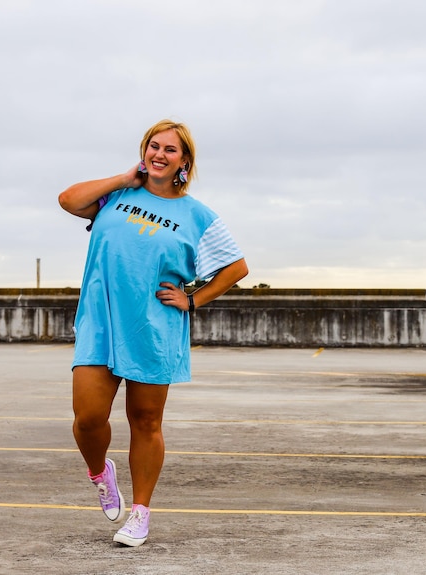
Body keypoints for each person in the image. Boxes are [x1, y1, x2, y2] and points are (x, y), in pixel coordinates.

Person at [58, 119, 248, 547]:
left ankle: (140, 513)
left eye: (170, 150)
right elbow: (68, 200)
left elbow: (236, 267)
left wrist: (193, 299)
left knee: (145, 422)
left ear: (185, 161)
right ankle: (99, 472)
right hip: (101, 321)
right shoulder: (116, 197)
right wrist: (126, 177)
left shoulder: (198, 215)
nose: (159, 154)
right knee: (88, 420)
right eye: (153, 146)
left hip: (153, 327)